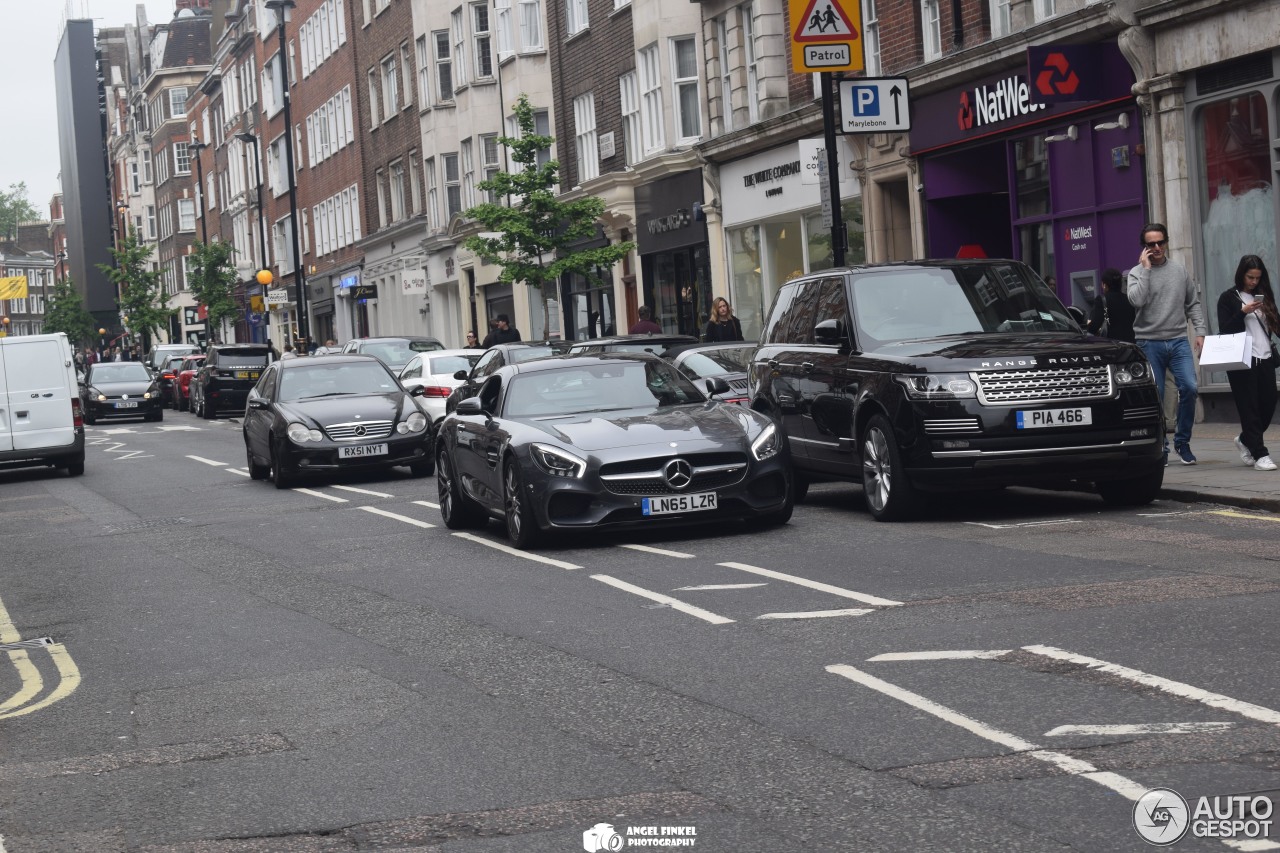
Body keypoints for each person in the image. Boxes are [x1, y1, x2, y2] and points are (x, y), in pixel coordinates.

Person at [1127, 223, 1208, 466]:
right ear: (1144, 247)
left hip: (1178, 340)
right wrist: (1146, 270)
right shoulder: (1135, 272)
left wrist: (1200, 331)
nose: (1157, 247)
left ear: (1166, 242)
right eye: (1151, 244)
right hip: (1149, 342)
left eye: (1160, 242)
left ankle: (1182, 442)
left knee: (1190, 388)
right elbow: (1136, 301)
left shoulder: (1179, 271)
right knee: (1157, 396)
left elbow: (1192, 302)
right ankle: (1160, 445)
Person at [1216, 254, 1280, 472]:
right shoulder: (1228, 298)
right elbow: (1225, 329)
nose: (1253, 282)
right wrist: (1243, 312)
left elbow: (1276, 326)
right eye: (1250, 277)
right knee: (1249, 407)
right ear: (1241, 274)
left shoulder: (1264, 297)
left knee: (1269, 402)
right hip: (1242, 360)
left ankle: (1245, 439)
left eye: (1257, 278)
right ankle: (1260, 454)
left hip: (1265, 358)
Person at [1086, 268, 1137, 342]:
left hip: (1112, 345)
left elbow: (1093, 326)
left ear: (1104, 285)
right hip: (1130, 344)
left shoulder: (1101, 299)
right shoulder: (1129, 299)